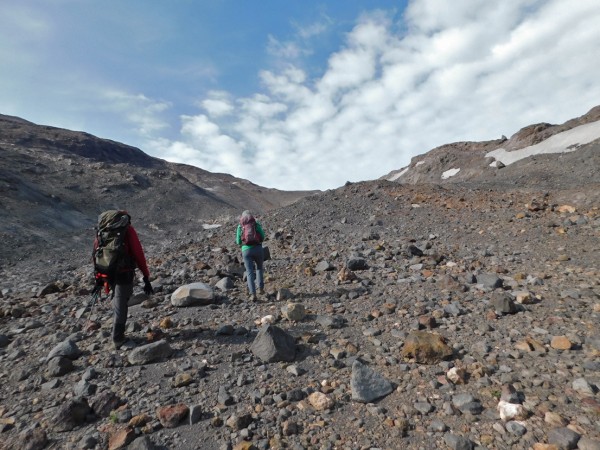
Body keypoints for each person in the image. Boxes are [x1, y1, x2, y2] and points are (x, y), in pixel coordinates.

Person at [92, 210, 153, 349]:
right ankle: (118, 338)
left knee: (117, 300)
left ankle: (117, 332)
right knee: (121, 303)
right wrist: (146, 276)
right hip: (124, 272)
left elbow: (96, 251)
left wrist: (98, 278)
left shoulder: (103, 229)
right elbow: (138, 253)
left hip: (107, 271)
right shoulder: (127, 230)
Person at [236, 210, 265, 301]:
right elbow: (263, 236)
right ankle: (260, 288)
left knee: (249, 272)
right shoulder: (256, 223)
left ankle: (253, 294)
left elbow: (238, 241)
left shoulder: (240, 226)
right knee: (259, 268)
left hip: (246, 250)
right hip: (258, 248)